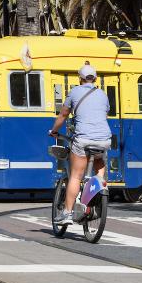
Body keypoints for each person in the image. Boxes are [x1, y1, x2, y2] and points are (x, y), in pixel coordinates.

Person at [48, 62, 112, 226]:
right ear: (95, 78)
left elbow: (63, 115)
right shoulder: (103, 94)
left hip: (83, 139)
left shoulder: (75, 91)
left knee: (76, 175)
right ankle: (98, 193)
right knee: (99, 167)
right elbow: (103, 114)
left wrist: (54, 130)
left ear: (80, 79)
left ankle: (68, 213)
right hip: (104, 139)